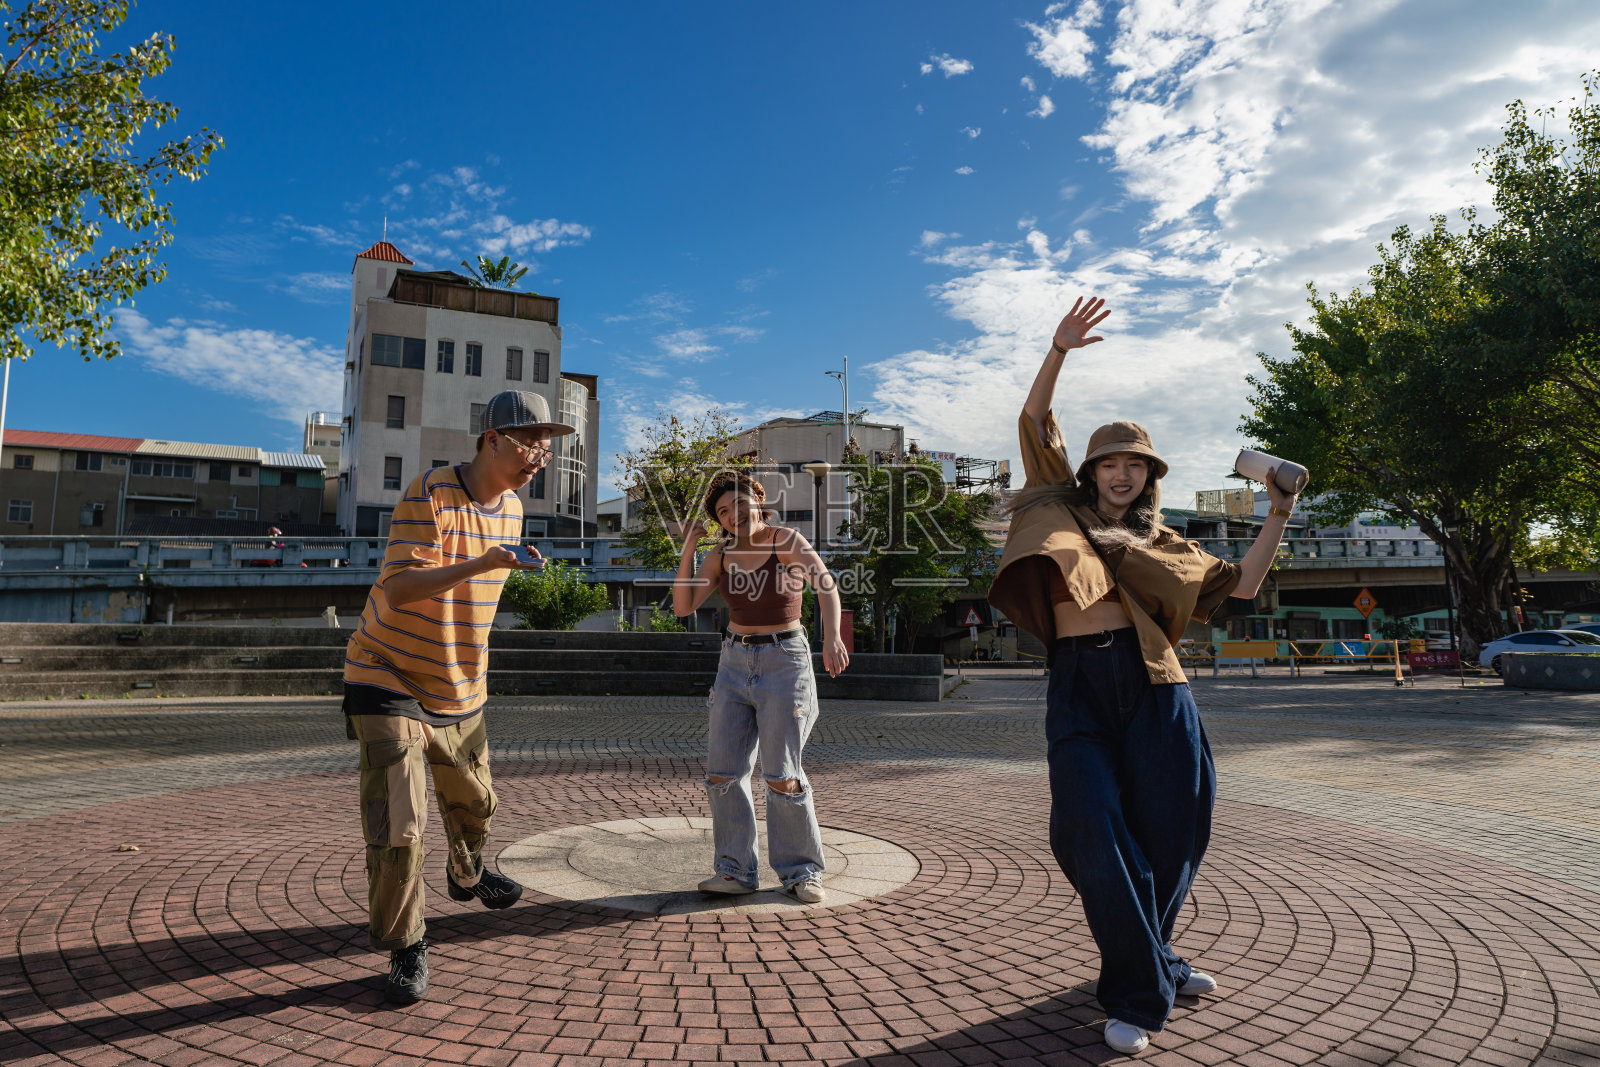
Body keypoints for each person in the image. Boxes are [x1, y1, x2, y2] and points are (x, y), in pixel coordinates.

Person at [986, 298, 1300, 1056]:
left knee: (1173, 833)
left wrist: (1278, 513)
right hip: (1080, 686)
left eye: (1135, 465)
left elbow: (1243, 587)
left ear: (1150, 474)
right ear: (1090, 469)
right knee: (1088, 827)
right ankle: (1142, 984)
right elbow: (1035, 419)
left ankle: (1151, 960)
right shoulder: (1057, 500)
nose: (1121, 474)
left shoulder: (1165, 540)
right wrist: (1057, 349)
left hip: (1159, 687)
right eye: (1109, 463)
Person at [341, 389, 571, 1004]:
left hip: (460, 681)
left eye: (546, 446)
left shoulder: (515, 510)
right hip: (386, 673)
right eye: (528, 442)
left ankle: (467, 874)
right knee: (401, 820)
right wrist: (481, 561)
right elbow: (398, 589)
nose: (538, 455)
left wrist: (503, 561)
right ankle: (406, 945)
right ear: (490, 438)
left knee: (476, 804)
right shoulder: (431, 492)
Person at [672, 470, 850, 904]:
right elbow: (683, 605)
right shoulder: (720, 555)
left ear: (757, 499)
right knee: (722, 774)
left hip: (783, 659)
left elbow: (825, 586)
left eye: (739, 504)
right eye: (723, 512)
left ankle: (802, 871)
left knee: (782, 775)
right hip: (733, 663)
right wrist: (690, 547)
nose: (733, 515)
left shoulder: (784, 540)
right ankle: (734, 871)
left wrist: (832, 636)